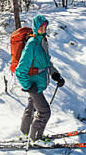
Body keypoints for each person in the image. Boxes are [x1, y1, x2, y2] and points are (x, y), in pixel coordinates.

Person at [15, 14, 65, 142]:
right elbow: (20, 70)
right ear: (36, 27)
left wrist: (55, 75)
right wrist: (28, 87)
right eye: (41, 27)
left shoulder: (42, 41)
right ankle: (36, 138)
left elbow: (46, 63)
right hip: (34, 86)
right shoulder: (32, 44)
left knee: (32, 106)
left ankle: (25, 133)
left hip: (38, 83)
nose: (43, 30)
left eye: (45, 27)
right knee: (44, 112)